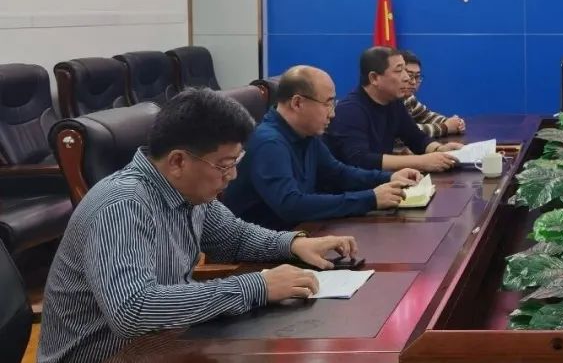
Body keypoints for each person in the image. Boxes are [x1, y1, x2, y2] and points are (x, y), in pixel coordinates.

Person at [38, 89, 359, 363]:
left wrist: (293, 244)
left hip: (164, 345)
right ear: (178, 161)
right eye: (225, 165)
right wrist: (256, 287)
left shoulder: (186, 191)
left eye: (236, 162)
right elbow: (134, 310)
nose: (232, 175)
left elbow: (233, 237)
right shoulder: (122, 205)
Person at [222, 65, 421, 230]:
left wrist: (389, 178)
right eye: (327, 104)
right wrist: (371, 199)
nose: (332, 114)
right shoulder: (269, 143)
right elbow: (291, 206)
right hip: (262, 251)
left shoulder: (306, 134)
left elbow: (338, 173)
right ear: (297, 103)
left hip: (299, 234)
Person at [325, 47, 463, 172]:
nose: (407, 78)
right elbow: (361, 160)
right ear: (374, 78)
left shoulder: (393, 102)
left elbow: (415, 137)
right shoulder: (350, 111)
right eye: (399, 71)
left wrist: (439, 149)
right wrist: (420, 162)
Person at [392, 50, 465, 154]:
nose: (413, 82)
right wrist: (445, 127)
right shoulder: (389, 99)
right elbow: (402, 133)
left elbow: (426, 116)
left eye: (417, 77)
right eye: (409, 75)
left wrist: (454, 123)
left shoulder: (408, 98)